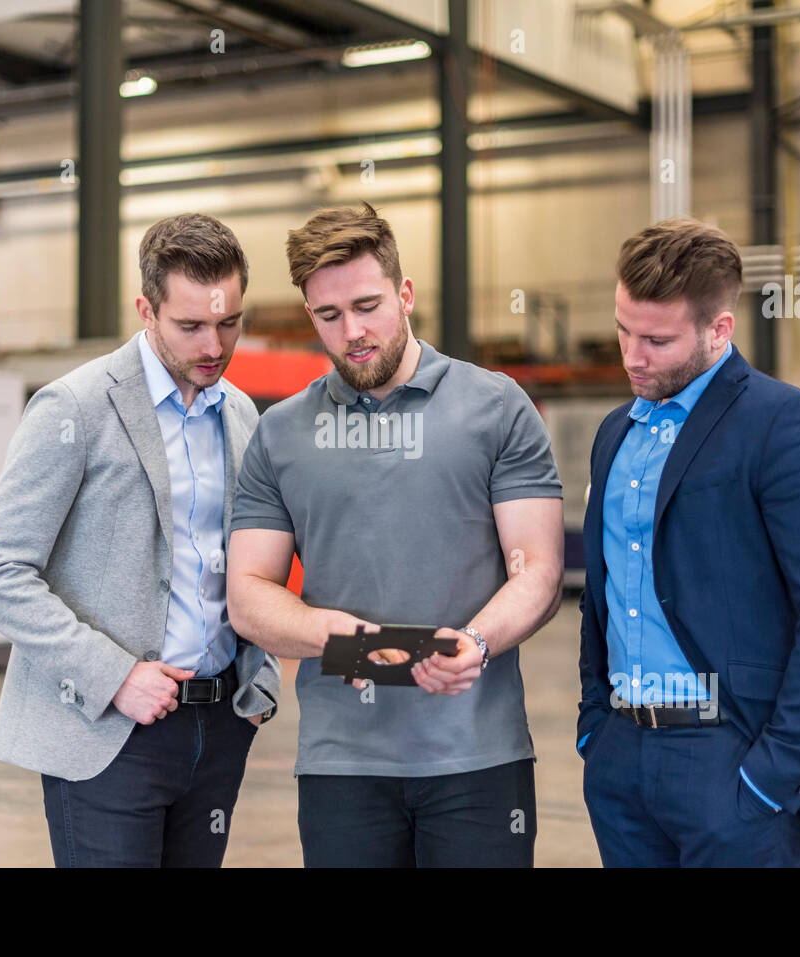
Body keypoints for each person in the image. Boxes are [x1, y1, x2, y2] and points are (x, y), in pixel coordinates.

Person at [226, 202, 564, 868]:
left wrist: (476, 641)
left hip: (478, 757)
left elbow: (540, 570)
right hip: (341, 765)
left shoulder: (496, 408)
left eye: (368, 305)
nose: (352, 331)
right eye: (328, 315)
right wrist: (337, 637)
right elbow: (248, 592)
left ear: (405, 295)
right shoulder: (281, 433)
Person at [0, 213, 280, 867]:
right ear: (146, 309)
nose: (214, 345)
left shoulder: (244, 414)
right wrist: (115, 678)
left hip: (219, 725)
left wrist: (261, 682)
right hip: (108, 731)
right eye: (189, 325)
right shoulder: (74, 409)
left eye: (230, 323)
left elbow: (255, 564)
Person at [576, 218, 800, 867]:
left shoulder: (787, 424)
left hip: (729, 759)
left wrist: (770, 775)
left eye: (657, 339)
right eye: (624, 329)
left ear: (719, 329)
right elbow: (602, 592)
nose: (631, 355)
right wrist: (594, 726)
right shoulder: (616, 433)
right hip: (621, 758)